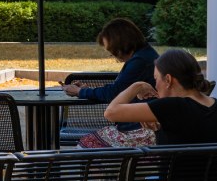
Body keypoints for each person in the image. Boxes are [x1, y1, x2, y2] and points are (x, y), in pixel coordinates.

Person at [103, 49, 217, 145]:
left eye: (156, 78)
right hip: (214, 179)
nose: (155, 84)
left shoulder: (172, 106)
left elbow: (110, 113)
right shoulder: (216, 105)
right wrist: (160, 127)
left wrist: (137, 85)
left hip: (177, 179)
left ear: (168, 80)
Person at [68, 18, 160, 147]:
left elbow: (115, 93)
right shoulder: (144, 56)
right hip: (139, 125)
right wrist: (88, 89)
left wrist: (81, 91)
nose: (113, 55)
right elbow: (120, 89)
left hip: (139, 128)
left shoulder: (140, 61)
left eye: (112, 50)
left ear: (122, 44)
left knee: (86, 146)